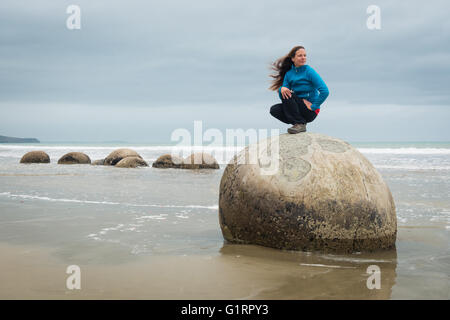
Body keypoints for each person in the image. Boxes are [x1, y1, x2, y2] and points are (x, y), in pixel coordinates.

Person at [269, 46, 329, 134]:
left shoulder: (309, 71)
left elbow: (325, 91)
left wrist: (314, 106)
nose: (303, 58)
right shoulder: (289, 74)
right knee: (274, 109)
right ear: (293, 58)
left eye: (305, 55)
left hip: (310, 111)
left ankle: (300, 124)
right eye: (300, 55)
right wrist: (282, 88)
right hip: (296, 109)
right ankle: (297, 123)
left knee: (288, 93)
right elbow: (283, 95)